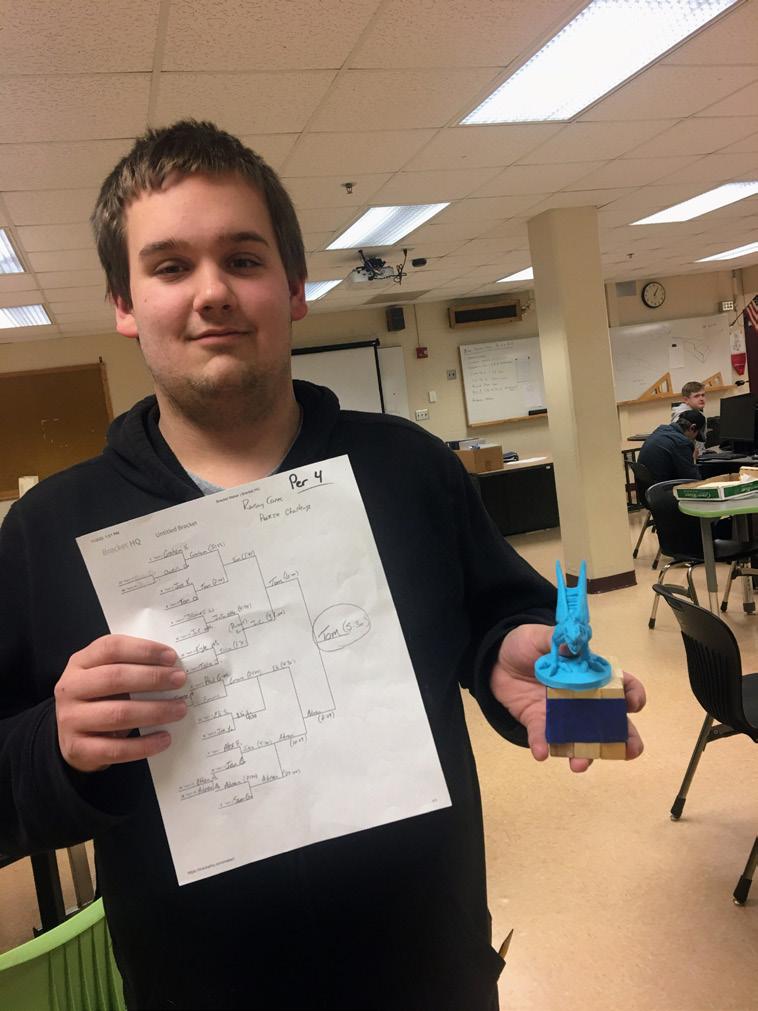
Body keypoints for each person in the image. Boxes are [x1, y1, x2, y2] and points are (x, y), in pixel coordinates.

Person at [0, 121, 645, 1011]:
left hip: (431, 973)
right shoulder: (47, 531)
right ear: (124, 303)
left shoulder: (409, 467)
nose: (213, 292)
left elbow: (502, 622)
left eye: (243, 259)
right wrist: (57, 744)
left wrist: (512, 655)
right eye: (171, 266)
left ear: (295, 287)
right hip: (198, 990)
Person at [638, 409, 705, 484]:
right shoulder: (681, 442)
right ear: (692, 428)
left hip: (649, 487)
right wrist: (693, 459)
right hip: (663, 488)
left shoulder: (661, 430)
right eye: (696, 436)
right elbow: (693, 480)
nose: (693, 440)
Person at [671, 381, 706, 458]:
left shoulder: (698, 413)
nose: (701, 398)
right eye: (696, 396)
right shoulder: (682, 416)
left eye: (703, 395)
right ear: (686, 400)